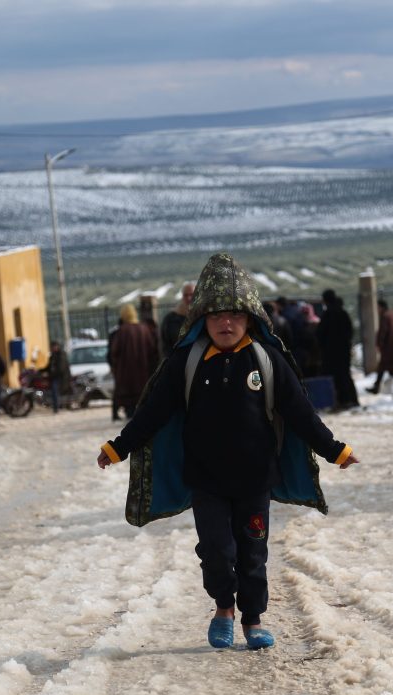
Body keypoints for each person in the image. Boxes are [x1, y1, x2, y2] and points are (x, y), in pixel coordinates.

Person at [96, 253, 359, 651]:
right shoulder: (187, 361)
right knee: (217, 552)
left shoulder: (266, 360)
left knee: (253, 553)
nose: (225, 322)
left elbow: (301, 413)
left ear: (249, 317)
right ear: (203, 317)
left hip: (255, 479)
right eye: (216, 314)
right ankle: (223, 607)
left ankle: (253, 619)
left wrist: (335, 450)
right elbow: (152, 413)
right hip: (205, 479)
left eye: (235, 314)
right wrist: (117, 449)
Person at [109, 303, 159, 420]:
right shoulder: (144, 329)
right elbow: (152, 350)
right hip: (143, 372)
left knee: (129, 405)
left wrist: (117, 366)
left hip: (125, 374)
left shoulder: (121, 331)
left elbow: (114, 352)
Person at [316, 289, 359, 410]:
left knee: (334, 377)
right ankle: (352, 400)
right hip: (343, 351)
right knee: (345, 375)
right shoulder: (343, 312)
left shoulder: (328, 314)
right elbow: (350, 331)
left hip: (330, 353)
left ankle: (340, 401)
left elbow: (320, 334)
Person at [161, 282, 196, 354]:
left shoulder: (204, 317)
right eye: (186, 295)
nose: (189, 298)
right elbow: (165, 342)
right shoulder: (170, 319)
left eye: (191, 295)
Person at [46, 340, 71, 414]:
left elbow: (61, 369)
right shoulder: (53, 356)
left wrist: (51, 374)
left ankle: (56, 407)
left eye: (54, 346)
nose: (52, 348)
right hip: (55, 376)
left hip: (61, 377)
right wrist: (40, 370)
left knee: (54, 389)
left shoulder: (61, 355)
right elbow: (49, 367)